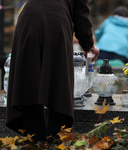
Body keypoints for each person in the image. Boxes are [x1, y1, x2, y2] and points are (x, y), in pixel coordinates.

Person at [6, 0, 99, 143]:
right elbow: (81, 17)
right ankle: (55, 137)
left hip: (28, 18)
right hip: (56, 21)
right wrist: (89, 45)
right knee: (58, 75)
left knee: (30, 74)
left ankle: (35, 137)